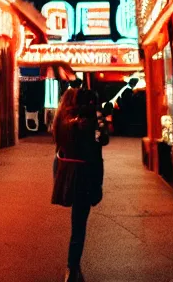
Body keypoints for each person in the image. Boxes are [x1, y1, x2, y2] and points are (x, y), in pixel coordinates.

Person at [53, 87, 108, 282]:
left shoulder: (61, 121)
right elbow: (102, 141)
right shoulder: (88, 123)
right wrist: (100, 120)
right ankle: (73, 266)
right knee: (79, 224)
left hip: (67, 174)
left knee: (77, 220)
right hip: (85, 175)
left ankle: (72, 268)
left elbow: (59, 148)